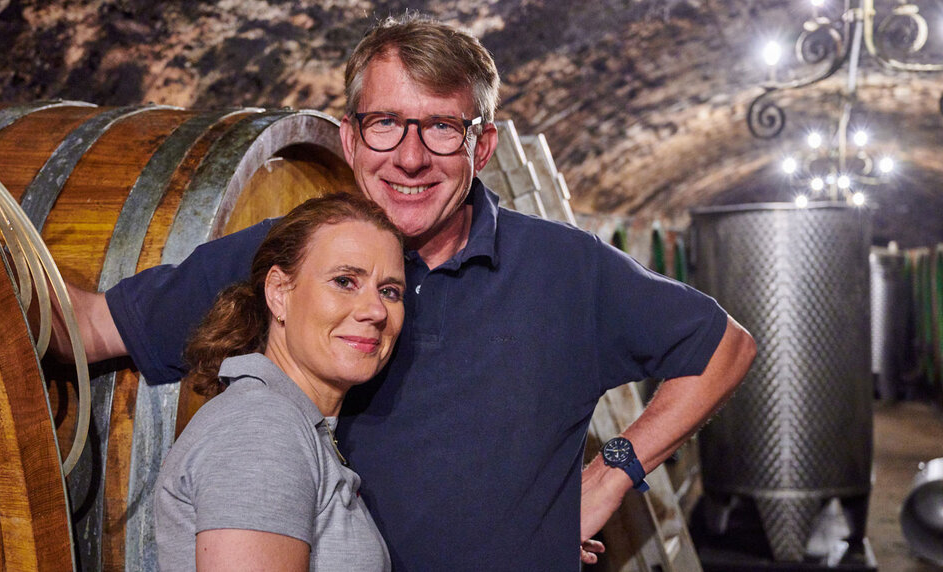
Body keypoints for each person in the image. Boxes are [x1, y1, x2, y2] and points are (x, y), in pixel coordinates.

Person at [55, 13, 756, 570]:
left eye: (443, 128)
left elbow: (724, 346)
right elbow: (95, 326)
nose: (411, 157)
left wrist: (607, 479)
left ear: (482, 149)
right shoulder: (288, 252)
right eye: (386, 123)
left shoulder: (565, 266)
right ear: (350, 140)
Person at [154, 192, 404, 571]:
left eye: (389, 291)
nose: (375, 310)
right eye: (344, 281)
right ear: (279, 292)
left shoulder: (292, 421)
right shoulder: (262, 427)